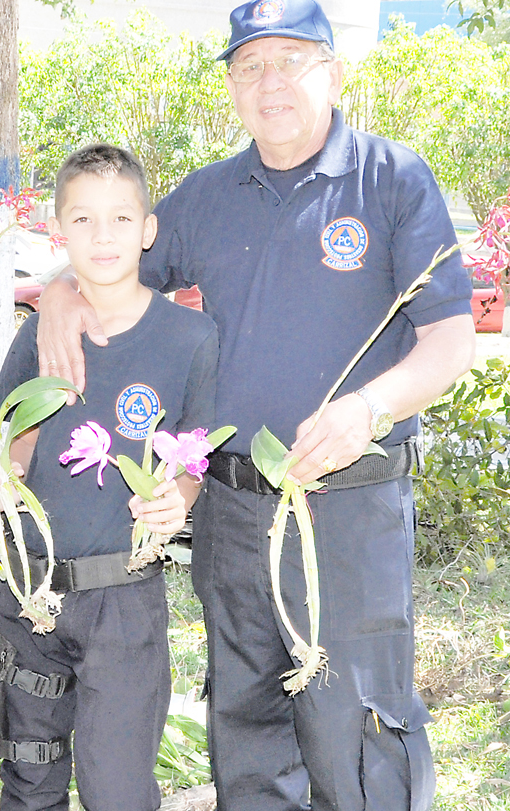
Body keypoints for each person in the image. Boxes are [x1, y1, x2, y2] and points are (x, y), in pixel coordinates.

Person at [35, 3, 475, 810]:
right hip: (234, 514)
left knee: (359, 727)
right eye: (249, 67)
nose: (269, 82)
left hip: (351, 508)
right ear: (232, 88)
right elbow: (111, 267)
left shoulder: (392, 179)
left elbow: (450, 343)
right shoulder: (206, 197)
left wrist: (365, 409)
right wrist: (62, 296)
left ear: (334, 72)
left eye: (291, 59)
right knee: (246, 724)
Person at [0, 144, 218, 811]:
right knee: (28, 775)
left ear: (147, 230)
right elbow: (7, 440)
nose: (101, 236)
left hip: (124, 604)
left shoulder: (191, 338)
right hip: (33, 594)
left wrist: (178, 502)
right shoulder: (38, 337)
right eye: (82, 220)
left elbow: (196, 450)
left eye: (118, 219)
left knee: (118, 787)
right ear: (59, 230)